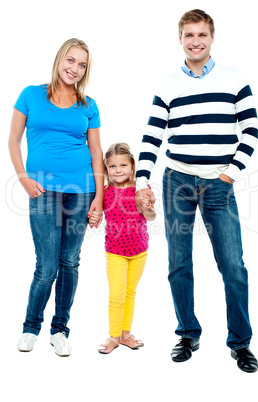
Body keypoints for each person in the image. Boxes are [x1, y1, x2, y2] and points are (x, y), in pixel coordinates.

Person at [135, 9, 258, 373]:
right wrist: (142, 180)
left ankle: (240, 342)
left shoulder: (234, 80)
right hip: (177, 182)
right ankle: (188, 333)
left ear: (212, 37)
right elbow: (152, 136)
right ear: (180, 39)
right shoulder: (168, 85)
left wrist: (229, 176)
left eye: (201, 35)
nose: (195, 41)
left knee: (233, 266)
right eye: (189, 35)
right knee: (178, 263)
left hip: (219, 184)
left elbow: (251, 131)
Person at [9, 38, 104, 357]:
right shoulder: (31, 95)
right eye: (71, 60)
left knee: (70, 262)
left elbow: (95, 151)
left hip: (82, 191)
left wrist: (99, 198)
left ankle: (59, 329)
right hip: (43, 192)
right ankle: (30, 327)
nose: (74, 68)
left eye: (82, 65)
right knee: (47, 266)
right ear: (59, 59)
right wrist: (23, 178)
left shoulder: (88, 105)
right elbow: (13, 140)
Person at [89, 143, 155, 353]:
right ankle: (114, 336)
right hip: (115, 252)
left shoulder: (140, 190)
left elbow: (152, 217)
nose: (118, 170)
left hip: (139, 252)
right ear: (107, 169)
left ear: (132, 166)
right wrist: (93, 218)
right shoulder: (105, 193)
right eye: (113, 166)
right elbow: (95, 218)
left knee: (130, 293)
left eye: (123, 165)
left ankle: (126, 334)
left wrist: (148, 208)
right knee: (116, 294)